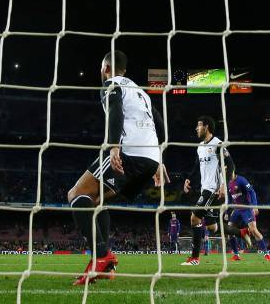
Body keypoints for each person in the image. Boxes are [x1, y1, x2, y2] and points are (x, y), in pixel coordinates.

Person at [67, 50, 169, 285]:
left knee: (76, 195)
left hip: (128, 153)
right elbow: (160, 126)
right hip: (149, 160)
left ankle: (102, 255)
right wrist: (160, 160)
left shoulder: (112, 84)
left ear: (105, 68)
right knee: (96, 201)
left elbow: (115, 112)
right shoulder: (142, 93)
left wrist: (113, 147)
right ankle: (102, 264)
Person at [181, 116, 238, 266]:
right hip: (204, 188)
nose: (196, 128)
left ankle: (195, 258)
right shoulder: (200, 146)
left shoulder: (218, 144)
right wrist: (189, 179)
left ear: (206, 127)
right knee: (212, 227)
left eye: (198, 126)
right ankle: (242, 232)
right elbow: (196, 167)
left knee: (194, 218)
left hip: (213, 189)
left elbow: (231, 165)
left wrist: (224, 185)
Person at [227, 172, 270, 261]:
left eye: (226, 169)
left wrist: (254, 206)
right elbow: (230, 198)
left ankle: (266, 254)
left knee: (254, 230)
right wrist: (227, 212)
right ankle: (236, 254)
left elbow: (252, 192)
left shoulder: (241, 180)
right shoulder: (228, 182)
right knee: (229, 231)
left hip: (247, 208)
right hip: (237, 209)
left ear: (232, 170)